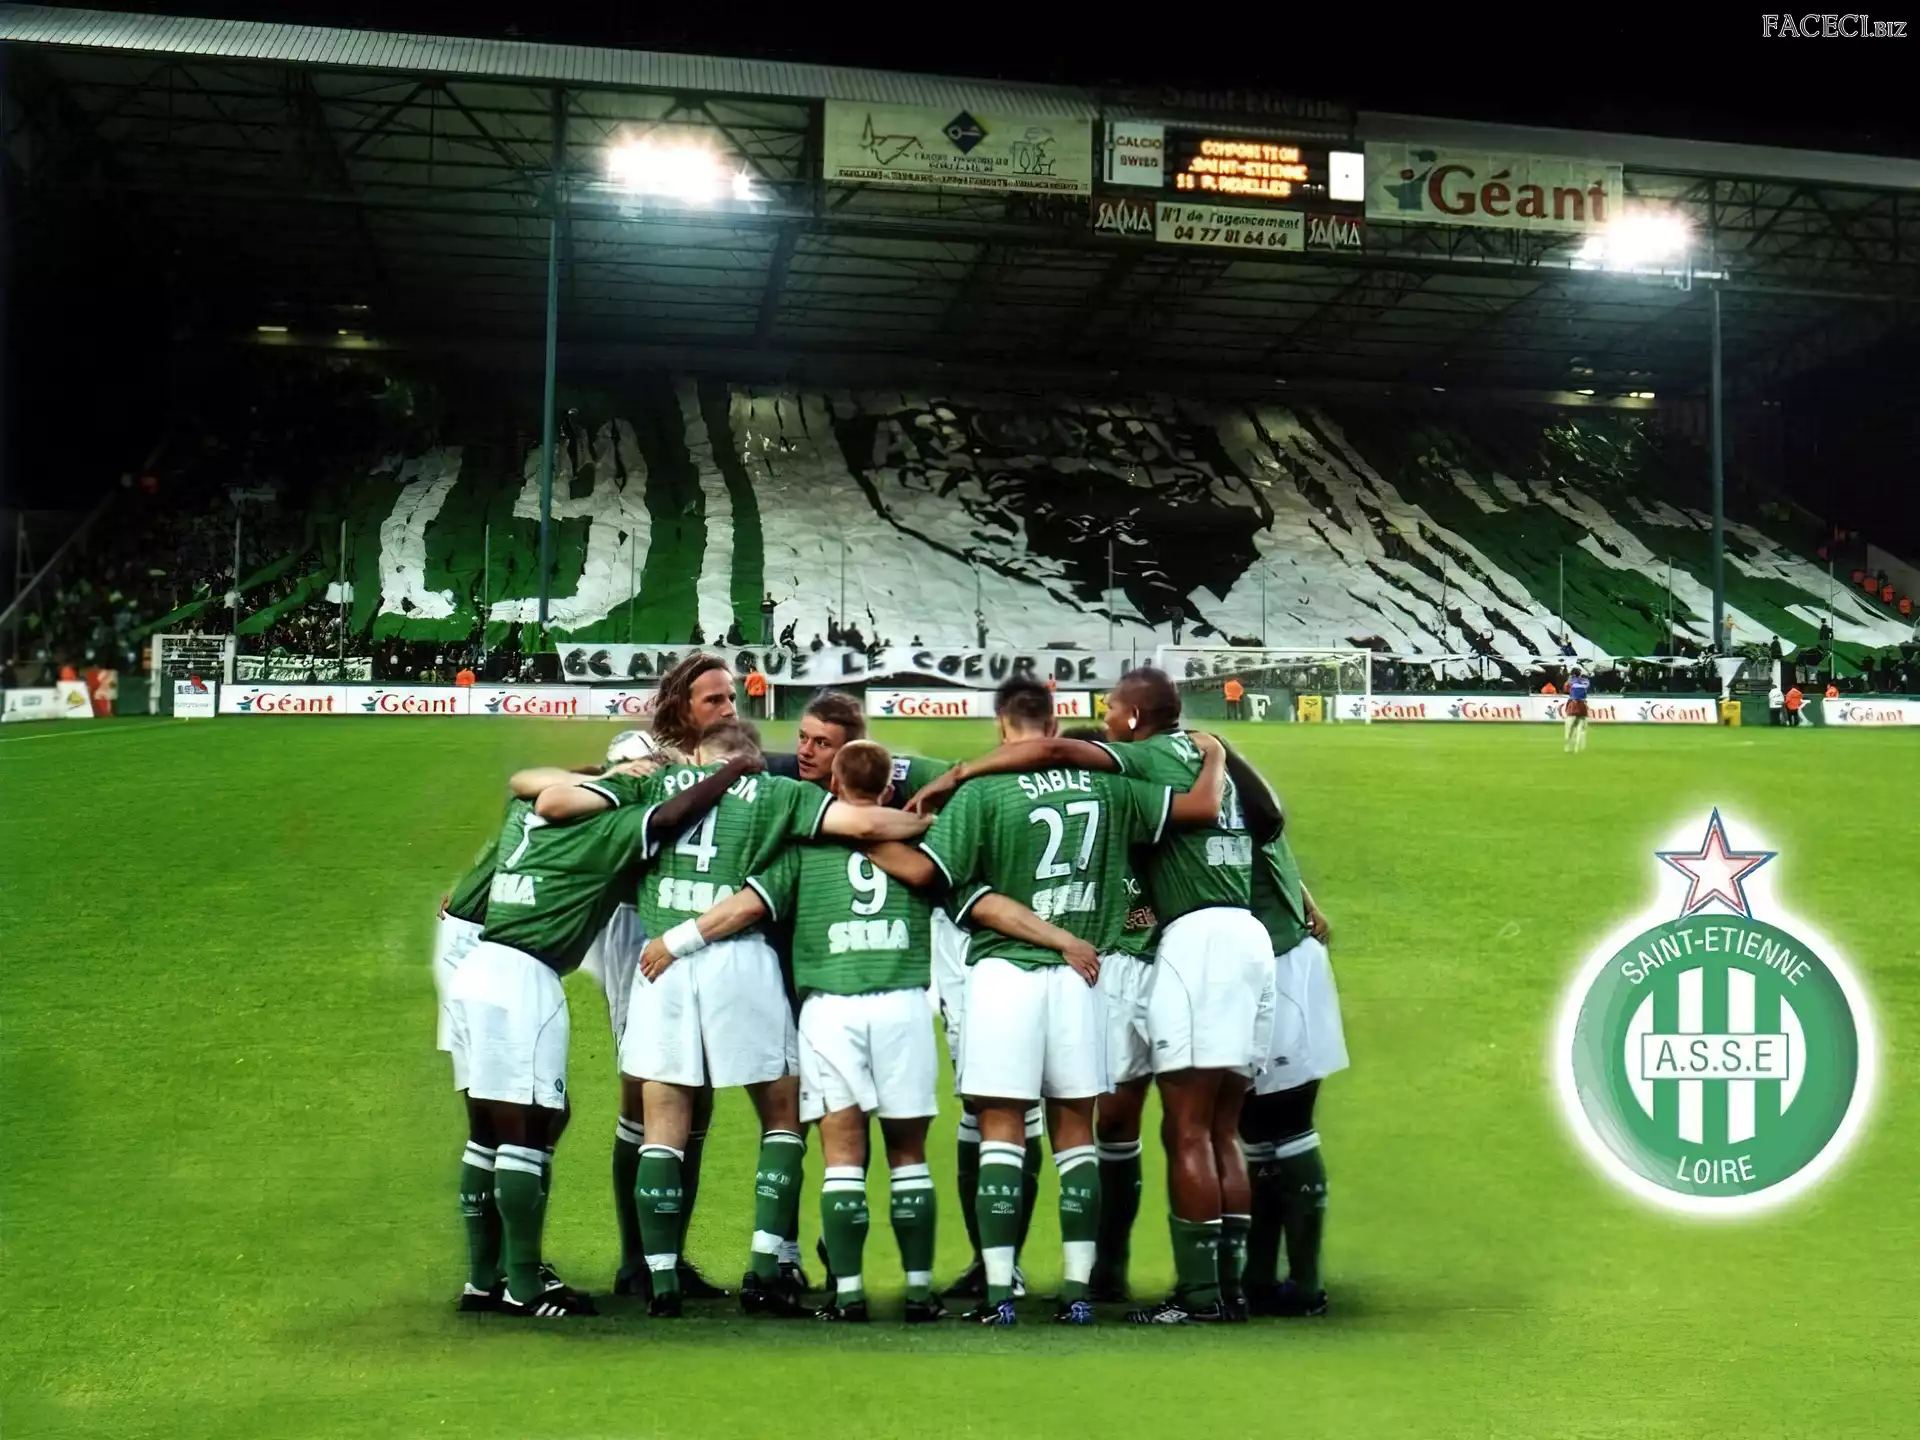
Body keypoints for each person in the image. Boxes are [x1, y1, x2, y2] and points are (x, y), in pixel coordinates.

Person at [655, 739, 1087, 1323]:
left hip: (831, 1010)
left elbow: (746, 907)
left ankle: (849, 1295)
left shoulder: (805, 846)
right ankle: (918, 1293)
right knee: (908, 1155)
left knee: (842, 1157)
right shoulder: (921, 852)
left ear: (834, 787)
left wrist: (676, 941)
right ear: (887, 791)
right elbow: (976, 900)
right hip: (903, 1007)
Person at [911, 668, 1271, 1325]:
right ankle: (1095, 1287)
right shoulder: (1125, 787)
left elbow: (931, 873)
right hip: (1104, 967)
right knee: (1101, 1129)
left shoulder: (992, 789)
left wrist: (939, 788)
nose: (1106, 718)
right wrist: (1217, 755)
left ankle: (1001, 1290)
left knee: (1007, 1124)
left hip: (1026, 970)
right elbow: (1234, 818)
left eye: (1112, 709)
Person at [541, 719, 933, 1319]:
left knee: (663, 1123)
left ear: (700, 754)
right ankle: (765, 1268)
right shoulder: (775, 791)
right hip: (739, 959)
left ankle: (660, 1280)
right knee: (782, 1115)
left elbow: (557, 803)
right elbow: (862, 824)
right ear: (752, 756)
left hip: (660, 963)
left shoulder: (658, 783)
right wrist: (921, 823)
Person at [443, 751, 748, 1317]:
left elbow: (526, 778)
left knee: (486, 1131)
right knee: (528, 1131)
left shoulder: (525, 812)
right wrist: (727, 772)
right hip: (524, 978)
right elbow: (666, 819)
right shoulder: (604, 830)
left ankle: (482, 1282)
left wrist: (606, 775)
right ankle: (524, 1286)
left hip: (475, 970)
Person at [1229, 749, 1344, 1318]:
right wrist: (1307, 901)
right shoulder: (1241, 794)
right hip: (1268, 966)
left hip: (1279, 966)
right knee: (1254, 1125)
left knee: (1288, 1121)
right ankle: (1257, 1275)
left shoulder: (1211, 795)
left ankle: (1306, 1283)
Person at [1564, 667, 1591, 753]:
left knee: (1570, 728)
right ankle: (1578, 747)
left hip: (1573, 704)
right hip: (1582, 705)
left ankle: (1568, 746)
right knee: (1581, 727)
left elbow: (1566, 688)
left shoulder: (1571, 681)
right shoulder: (1585, 681)